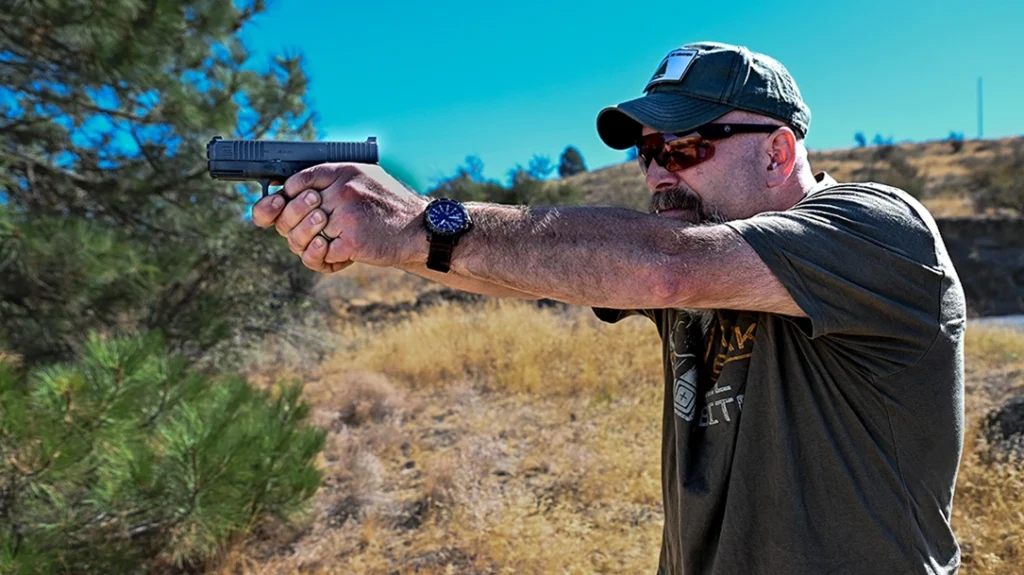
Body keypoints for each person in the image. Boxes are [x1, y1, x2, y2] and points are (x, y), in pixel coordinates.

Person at [251, 41, 965, 575]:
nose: (656, 170)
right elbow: (544, 272)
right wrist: (395, 245)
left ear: (778, 151)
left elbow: (665, 270)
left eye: (683, 144)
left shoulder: (878, 229)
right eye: (648, 149)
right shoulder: (701, 250)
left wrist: (418, 221)